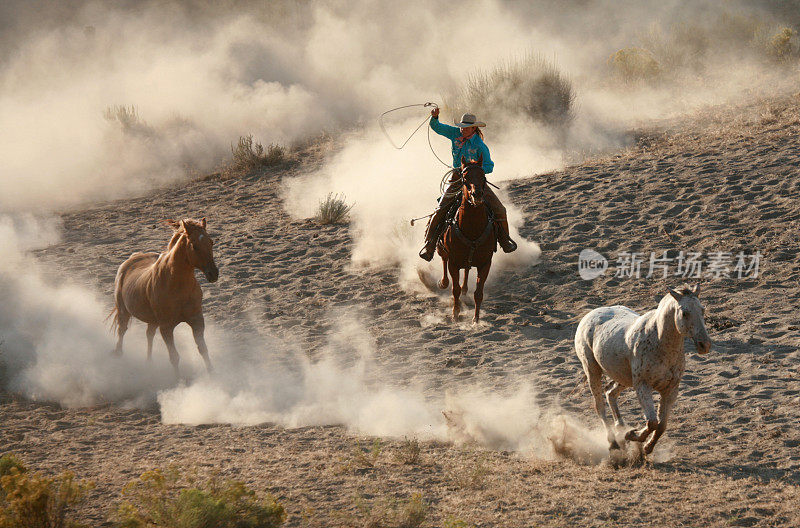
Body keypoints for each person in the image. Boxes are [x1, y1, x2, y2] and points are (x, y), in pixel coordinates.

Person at [419, 107, 517, 261]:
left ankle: (505, 242)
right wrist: (435, 117)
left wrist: (474, 171)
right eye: (461, 127)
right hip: (457, 179)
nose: (462, 130)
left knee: (499, 209)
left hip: (475, 181)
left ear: (473, 128)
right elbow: (437, 127)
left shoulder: (480, 145)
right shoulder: (454, 134)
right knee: (440, 209)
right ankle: (429, 245)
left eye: (466, 128)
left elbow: (489, 166)